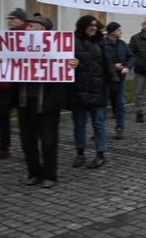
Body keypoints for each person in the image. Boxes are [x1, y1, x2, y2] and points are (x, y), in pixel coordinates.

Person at [17, 14, 69, 188]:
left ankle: (49, 175)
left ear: (43, 29)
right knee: (27, 140)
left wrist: (72, 64)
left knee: (48, 140)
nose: (28, 29)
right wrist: (4, 63)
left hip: (48, 102)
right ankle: (33, 173)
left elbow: (65, 71)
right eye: (28, 26)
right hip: (25, 101)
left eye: (32, 26)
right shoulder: (20, 46)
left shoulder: (57, 47)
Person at [67, 15, 115, 169]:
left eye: (95, 25)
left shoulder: (101, 41)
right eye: (90, 25)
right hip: (78, 89)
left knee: (98, 124)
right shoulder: (72, 41)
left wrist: (113, 79)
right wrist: (69, 63)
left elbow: (108, 63)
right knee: (79, 124)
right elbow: (63, 61)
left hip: (97, 89)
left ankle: (100, 154)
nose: (93, 28)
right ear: (82, 26)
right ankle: (80, 153)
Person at [0, 7, 27, 161]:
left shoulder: (30, 37)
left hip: (22, 84)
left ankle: (28, 148)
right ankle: (3, 148)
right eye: (8, 19)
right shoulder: (6, 38)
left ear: (22, 20)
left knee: (24, 119)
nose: (9, 21)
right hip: (6, 84)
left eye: (13, 18)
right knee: (3, 116)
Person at [104, 22, 135, 140]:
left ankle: (119, 129)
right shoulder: (103, 44)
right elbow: (100, 60)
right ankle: (99, 130)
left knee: (120, 104)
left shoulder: (122, 44)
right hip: (106, 80)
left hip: (120, 79)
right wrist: (113, 66)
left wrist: (127, 67)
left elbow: (131, 57)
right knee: (101, 106)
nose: (121, 32)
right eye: (119, 30)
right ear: (112, 32)